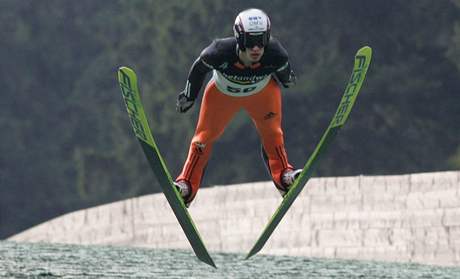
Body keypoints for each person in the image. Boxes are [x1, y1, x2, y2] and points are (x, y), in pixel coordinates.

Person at [174, 8, 301, 207]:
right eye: (250, 41)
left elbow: (286, 76)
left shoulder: (276, 54)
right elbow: (199, 70)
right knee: (202, 139)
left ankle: (284, 176)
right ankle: (186, 186)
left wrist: (288, 79)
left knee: (273, 133)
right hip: (223, 94)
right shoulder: (218, 51)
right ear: (239, 37)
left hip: (262, 93)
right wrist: (189, 96)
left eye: (262, 40)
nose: (257, 48)